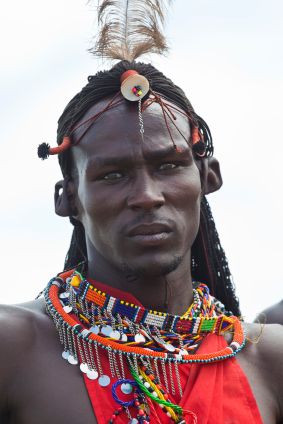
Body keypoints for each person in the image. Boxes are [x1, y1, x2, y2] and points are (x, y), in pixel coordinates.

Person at [0, 3, 283, 424]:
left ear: (209, 177)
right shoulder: (13, 349)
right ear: (67, 199)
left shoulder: (270, 363)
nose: (147, 196)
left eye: (168, 166)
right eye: (112, 174)